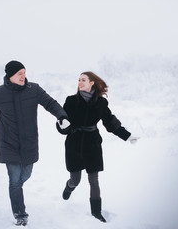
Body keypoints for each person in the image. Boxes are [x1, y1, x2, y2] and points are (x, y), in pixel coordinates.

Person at [0, 60, 70, 226]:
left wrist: (61, 115)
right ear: (10, 75)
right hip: (9, 143)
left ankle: (15, 191)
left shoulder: (33, 89)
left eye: (24, 72)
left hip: (29, 142)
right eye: (19, 73)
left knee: (25, 174)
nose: (23, 76)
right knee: (14, 180)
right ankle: (20, 214)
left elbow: (50, 103)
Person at [56, 71, 139, 222]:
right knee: (76, 179)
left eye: (83, 80)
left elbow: (110, 122)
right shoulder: (71, 101)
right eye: (79, 80)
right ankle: (69, 187)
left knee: (93, 180)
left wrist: (127, 136)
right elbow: (63, 123)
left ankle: (96, 212)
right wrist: (62, 125)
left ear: (92, 83)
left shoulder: (100, 103)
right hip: (74, 143)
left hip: (92, 144)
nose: (79, 83)